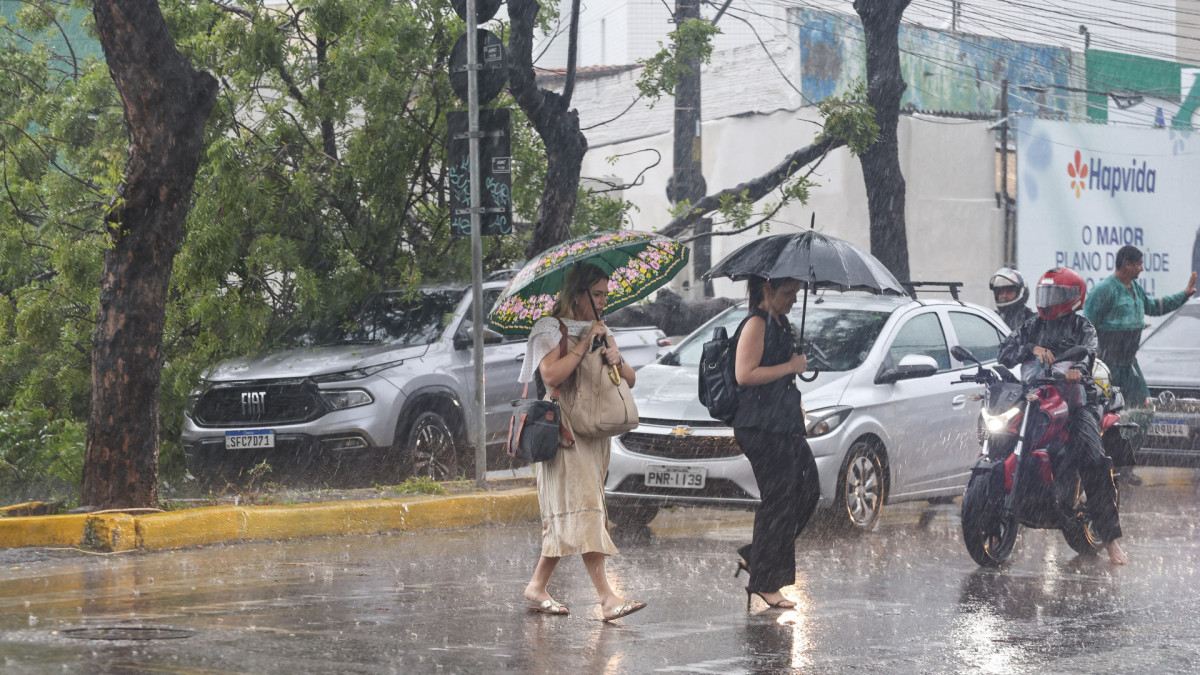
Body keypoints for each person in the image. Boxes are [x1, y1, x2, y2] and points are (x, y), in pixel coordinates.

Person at [519, 262, 646, 622]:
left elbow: (629, 380)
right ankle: (607, 598)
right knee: (587, 510)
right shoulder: (548, 328)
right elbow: (550, 374)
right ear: (578, 295)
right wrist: (586, 342)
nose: (605, 300)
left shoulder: (602, 328)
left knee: (573, 512)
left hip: (595, 434)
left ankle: (536, 586)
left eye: (607, 293)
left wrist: (616, 357)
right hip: (565, 435)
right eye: (599, 294)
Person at [998, 267, 1127, 564]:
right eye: (1046, 293)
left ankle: (1109, 540)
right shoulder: (1032, 325)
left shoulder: (1083, 327)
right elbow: (1005, 351)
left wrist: (1075, 371)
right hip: (1038, 398)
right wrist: (1031, 347)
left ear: (1072, 298)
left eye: (1055, 295)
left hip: (1077, 402)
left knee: (1093, 459)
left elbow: (1087, 353)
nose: (1048, 300)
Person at [732, 276, 821, 610]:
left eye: (797, 293)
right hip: (760, 427)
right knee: (779, 499)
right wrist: (789, 366)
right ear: (767, 289)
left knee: (808, 490)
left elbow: (783, 377)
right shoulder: (756, 323)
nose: (794, 299)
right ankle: (766, 582)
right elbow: (744, 374)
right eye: (788, 293)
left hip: (785, 424)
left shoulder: (781, 324)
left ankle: (757, 557)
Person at [1083, 246, 1196, 486]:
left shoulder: (1134, 288)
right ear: (1127, 264)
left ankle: (1124, 465)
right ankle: (1102, 465)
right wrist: (1087, 359)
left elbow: (1155, 307)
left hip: (1129, 364)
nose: (1142, 269)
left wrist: (1185, 294)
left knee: (1143, 410)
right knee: (1105, 414)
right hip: (1109, 363)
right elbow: (1086, 323)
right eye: (1140, 264)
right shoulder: (1104, 290)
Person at [989, 267, 1036, 331]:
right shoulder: (991, 319)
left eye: (1009, 291)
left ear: (1022, 292)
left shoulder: (1033, 321)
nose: (1004, 295)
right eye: (1000, 292)